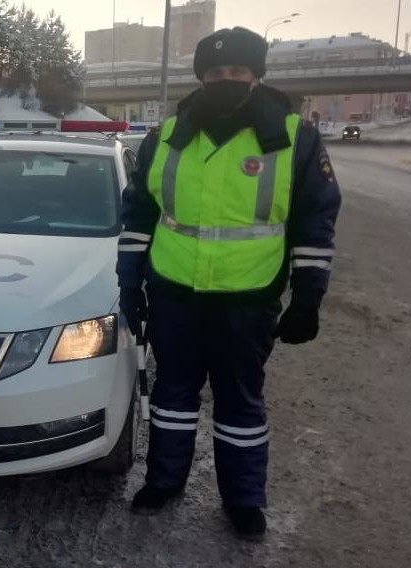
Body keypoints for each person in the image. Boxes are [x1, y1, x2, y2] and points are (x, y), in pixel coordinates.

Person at [116, 27, 341, 540]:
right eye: (216, 73)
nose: (226, 80)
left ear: (257, 76)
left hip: (249, 298)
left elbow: (315, 220)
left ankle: (243, 500)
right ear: (201, 77)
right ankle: (165, 481)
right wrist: (131, 285)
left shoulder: (293, 137)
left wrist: (309, 297)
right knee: (172, 397)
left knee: (240, 403)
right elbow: (138, 216)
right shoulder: (167, 135)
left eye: (238, 72)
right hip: (174, 292)